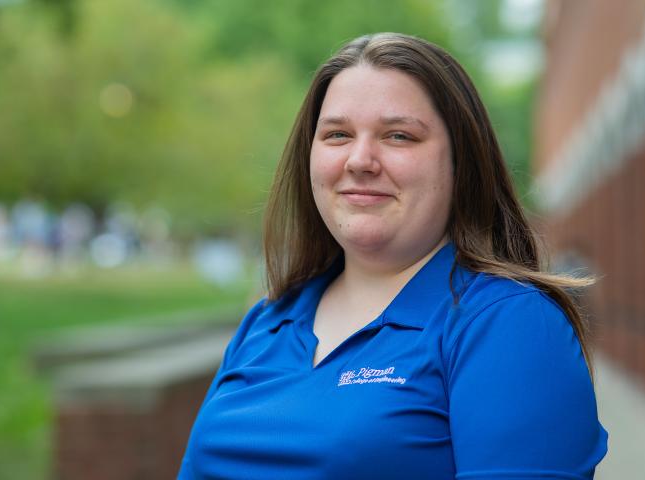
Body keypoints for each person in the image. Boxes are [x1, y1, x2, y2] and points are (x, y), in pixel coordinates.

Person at [178, 32, 608, 480]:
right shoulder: (267, 321)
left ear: (461, 164)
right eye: (338, 134)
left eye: (399, 136)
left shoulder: (509, 324)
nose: (360, 160)